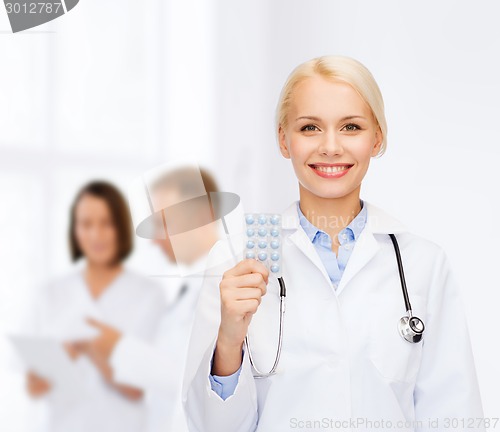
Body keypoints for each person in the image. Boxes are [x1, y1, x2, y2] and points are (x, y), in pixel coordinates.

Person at [182, 56, 485, 432]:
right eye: (309, 127)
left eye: (350, 127)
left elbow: (454, 415)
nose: (330, 146)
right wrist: (229, 339)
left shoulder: (422, 264)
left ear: (377, 138)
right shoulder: (234, 260)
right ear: (283, 139)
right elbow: (213, 426)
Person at [84, 167, 222, 432]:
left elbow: (203, 382)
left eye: (164, 222)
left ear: (204, 215)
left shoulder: (229, 284)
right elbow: (164, 374)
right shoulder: (189, 288)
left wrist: (119, 347)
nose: (155, 239)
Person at [25, 181, 165, 432]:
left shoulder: (149, 295)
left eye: (106, 223)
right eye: (86, 224)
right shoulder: (50, 294)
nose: (96, 235)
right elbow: (34, 387)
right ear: (75, 230)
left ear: (120, 228)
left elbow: (139, 388)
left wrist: (90, 348)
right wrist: (61, 359)